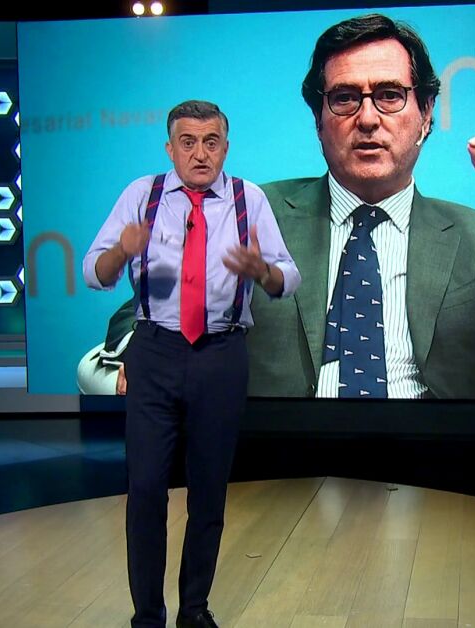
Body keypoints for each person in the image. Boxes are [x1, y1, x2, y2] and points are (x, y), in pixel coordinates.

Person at [102, 13, 475, 400]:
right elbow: (145, 311)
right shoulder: (247, 214)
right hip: (274, 464)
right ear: (319, 121)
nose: (367, 118)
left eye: (389, 95)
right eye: (345, 98)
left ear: (426, 114)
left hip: (434, 467)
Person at [83, 100, 300, 628]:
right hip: (154, 352)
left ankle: (194, 610)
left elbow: (288, 277)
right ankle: (147, 616)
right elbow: (94, 271)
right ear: (170, 149)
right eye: (188, 142)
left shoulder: (249, 199)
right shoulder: (143, 195)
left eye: (210, 142)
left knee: (208, 491)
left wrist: (263, 271)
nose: (200, 154)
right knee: (145, 490)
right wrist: (121, 253)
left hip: (221, 356)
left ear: (225, 148)